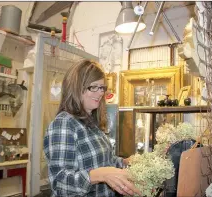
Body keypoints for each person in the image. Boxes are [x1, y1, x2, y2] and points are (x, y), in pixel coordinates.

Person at [44, 60, 141, 197]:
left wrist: (125, 162)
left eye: (102, 87)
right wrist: (97, 175)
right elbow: (60, 183)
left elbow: (105, 162)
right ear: (76, 87)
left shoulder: (92, 124)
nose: (100, 93)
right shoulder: (64, 124)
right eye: (93, 87)